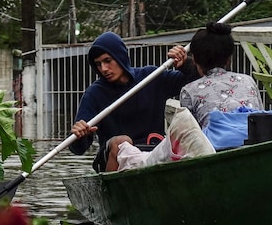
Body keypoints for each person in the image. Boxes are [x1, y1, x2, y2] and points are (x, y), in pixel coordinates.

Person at [69, 32, 195, 173]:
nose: (103, 69)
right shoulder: (94, 94)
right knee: (122, 142)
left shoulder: (150, 77)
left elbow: (193, 81)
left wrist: (185, 63)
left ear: (120, 57)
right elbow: (77, 149)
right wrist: (80, 135)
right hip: (113, 156)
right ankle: (113, 191)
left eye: (108, 60)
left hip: (152, 152)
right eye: (98, 64)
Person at [178, 22, 263, 128]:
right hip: (256, 141)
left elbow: (190, 134)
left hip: (216, 144)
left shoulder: (189, 91)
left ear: (194, 59)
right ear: (229, 59)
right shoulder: (248, 80)